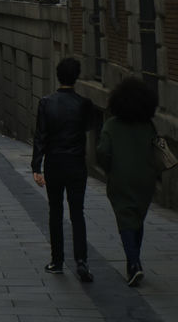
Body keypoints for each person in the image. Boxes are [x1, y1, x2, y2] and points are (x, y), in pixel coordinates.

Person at [31, 56, 96, 283]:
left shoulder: (46, 103)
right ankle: (81, 260)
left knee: (55, 212)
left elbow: (40, 137)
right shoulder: (84, 104)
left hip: (54, 164)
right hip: (76, 164)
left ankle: (57, 261)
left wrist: (36, 167)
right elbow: (88, 128)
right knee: (77, 213)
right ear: (76, 77)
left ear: (58, 76)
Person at [96, 76, 162, 287]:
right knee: (137, 217)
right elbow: (156, 151)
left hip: (120, 178)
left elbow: (103, 153)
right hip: (146, 179)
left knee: (125, 219)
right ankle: (134, 260)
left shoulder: (112, 126)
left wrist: (109, 169)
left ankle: (133, 264)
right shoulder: (149, 126)